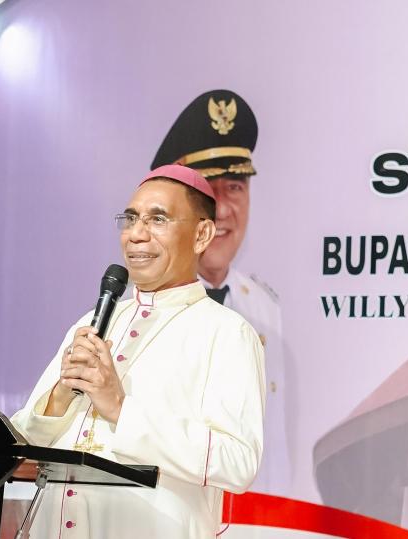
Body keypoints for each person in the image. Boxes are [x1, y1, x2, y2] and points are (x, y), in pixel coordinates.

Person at [11, 164, 265, 538]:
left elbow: (238, 463)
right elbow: (22, 445)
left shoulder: (227, 333)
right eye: (130, 219)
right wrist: (61, 397)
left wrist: (120, 409)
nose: (135, 234)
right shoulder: (93, 321)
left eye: (157, 219)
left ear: (202, 234)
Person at [151, 90, 289, 494]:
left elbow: (271, 438)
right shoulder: (144, 308)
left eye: (236, 187)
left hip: (255, 514)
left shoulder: (265, 305)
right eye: (208, 190)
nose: (224, 208)